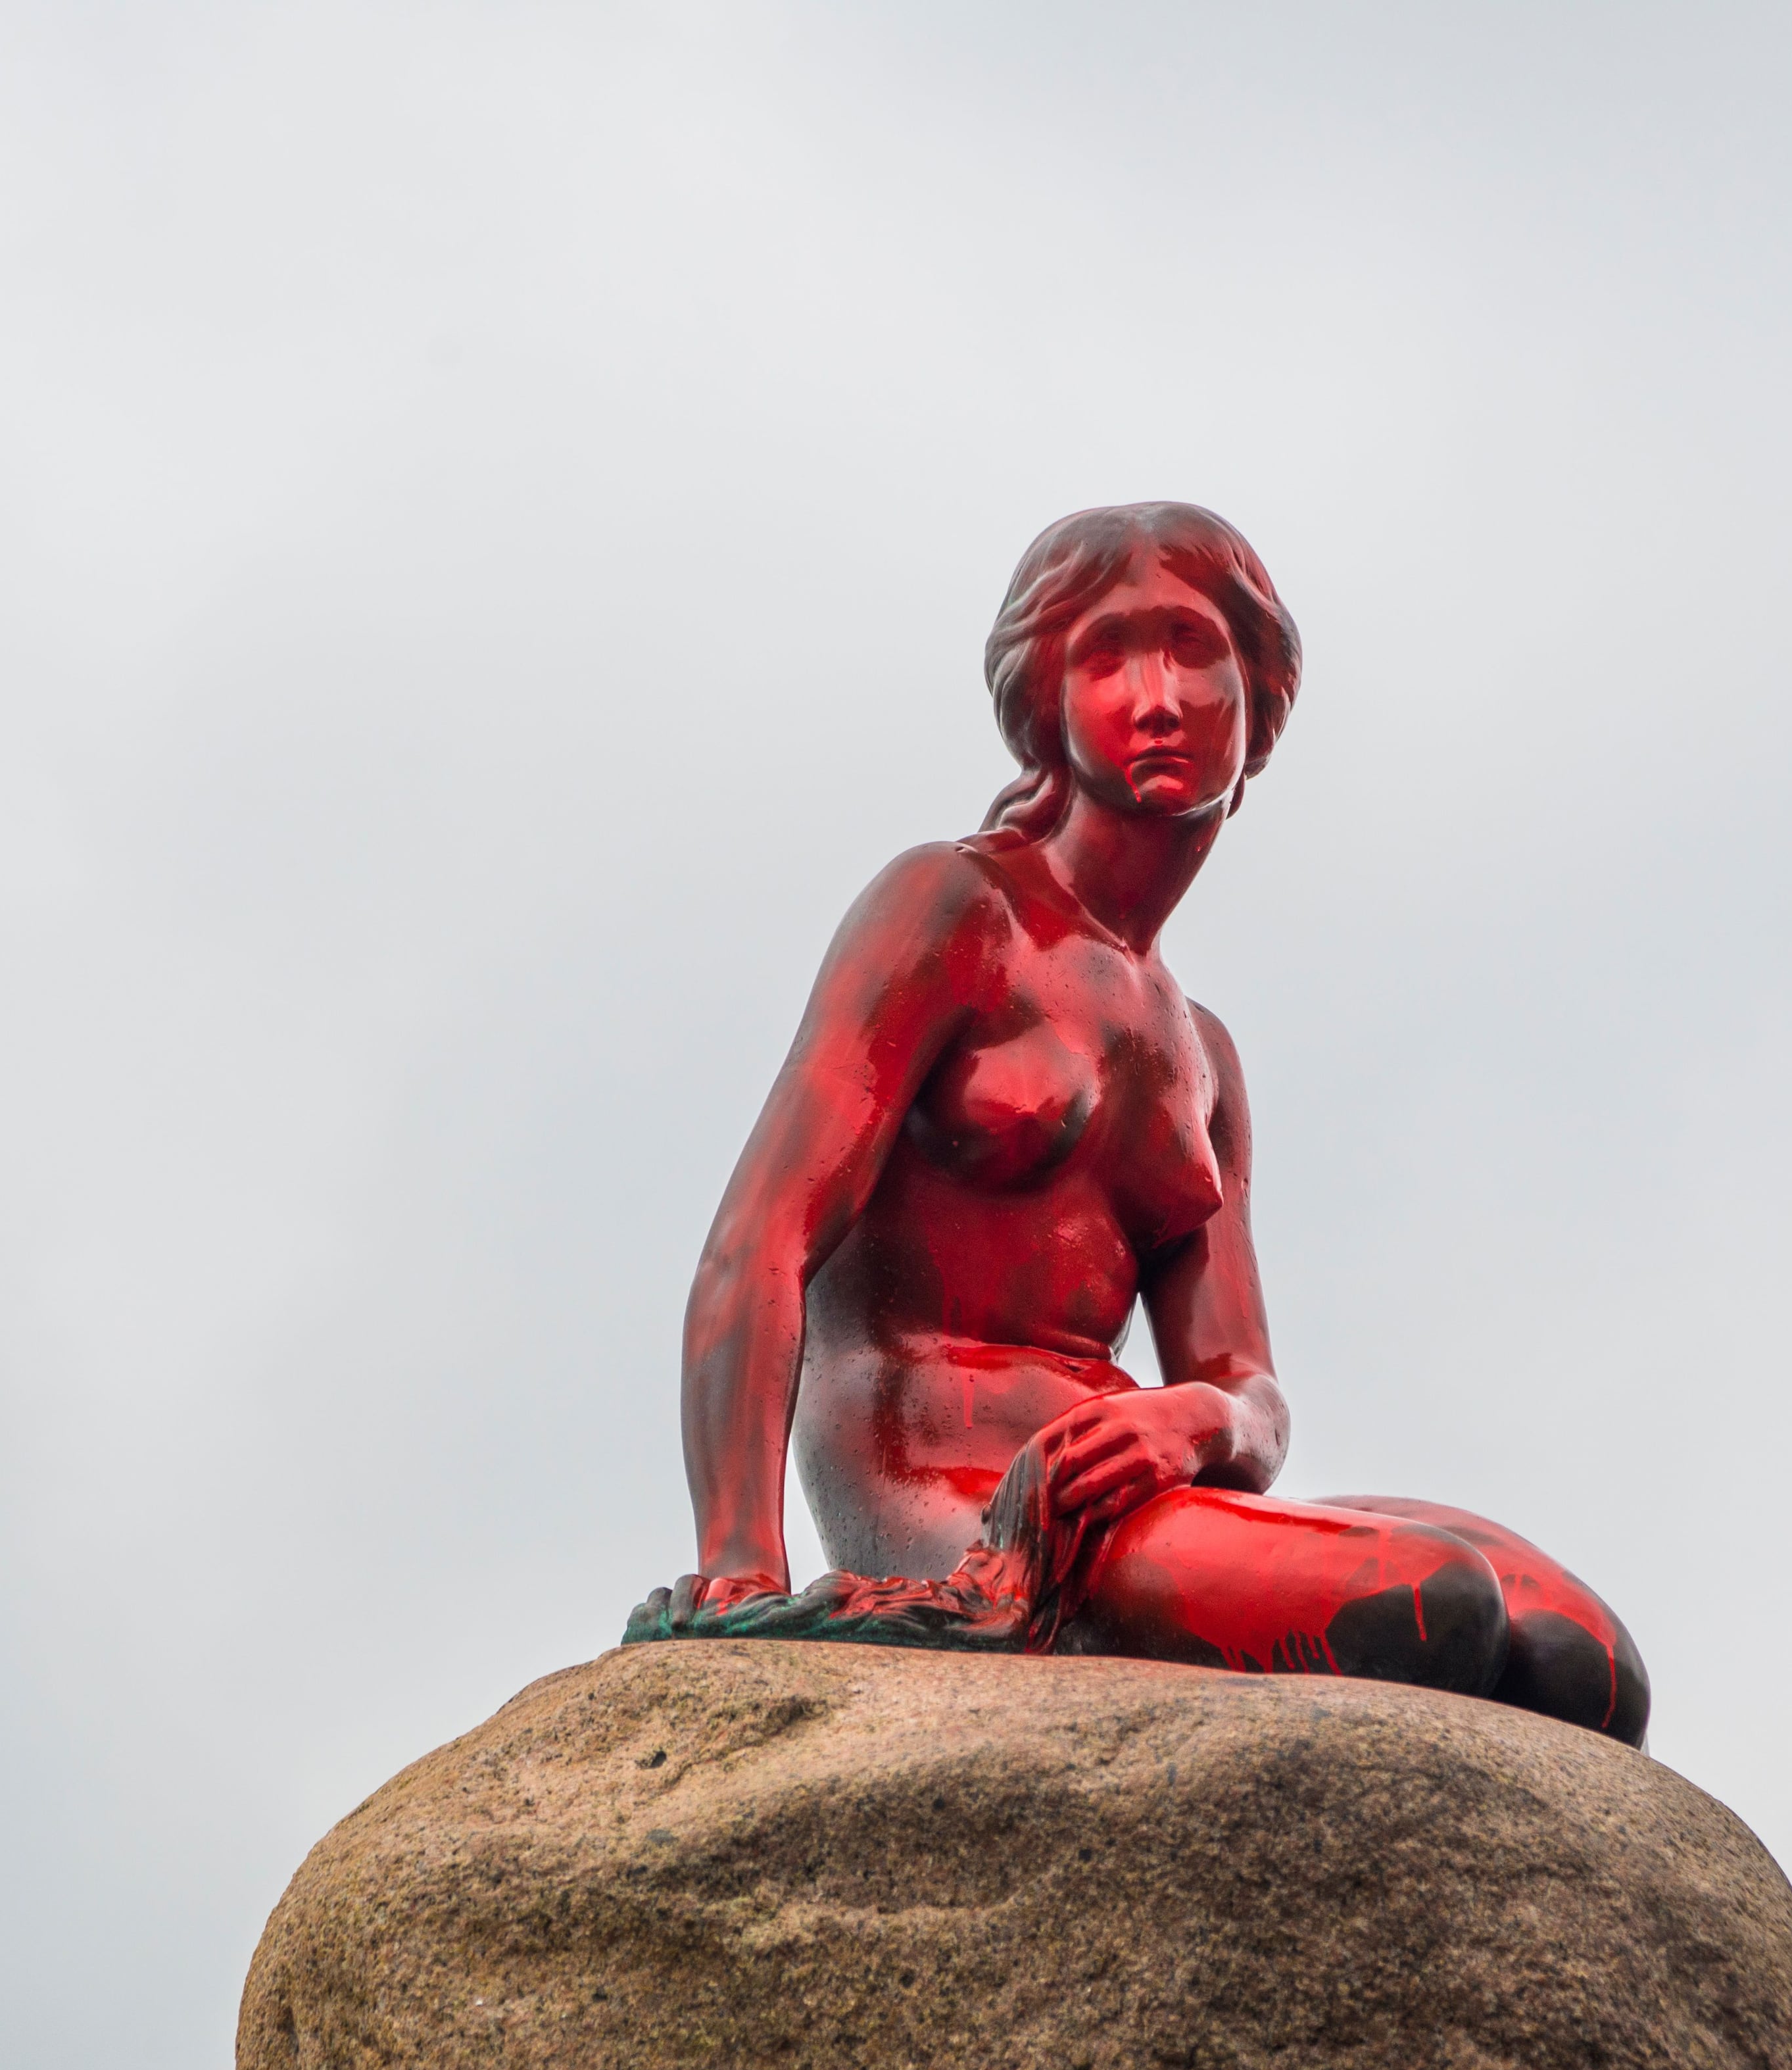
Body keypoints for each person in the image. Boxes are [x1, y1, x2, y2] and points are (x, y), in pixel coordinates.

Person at [649, 503, 1647, 1743]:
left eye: (1192, 649)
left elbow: (1248, 1389)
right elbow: (761, 1242)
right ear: (1047, 698)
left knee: (1583, 1651)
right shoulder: (952, 911)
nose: (1158, 695)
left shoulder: (1204, 1056)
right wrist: (738, 1570)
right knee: (1439, 1605)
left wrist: (1199, 1419)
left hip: (1135, 1484)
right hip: (965, 1504)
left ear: (1258, 693)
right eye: (1110, 656)